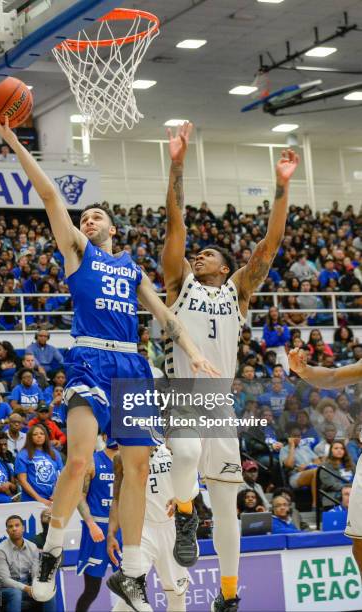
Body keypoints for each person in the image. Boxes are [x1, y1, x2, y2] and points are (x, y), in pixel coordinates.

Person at [0, 111, 217, 609]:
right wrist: (10, 140)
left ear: (113, 226)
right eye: (83, 216)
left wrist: (195, 352)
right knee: (80, 460)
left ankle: (131, 573)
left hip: (132, 365)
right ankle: (51, 552)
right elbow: (50, 195)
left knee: (136, 467)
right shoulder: (77, 251)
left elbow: (164, 316)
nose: (87, 220)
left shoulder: (131, 268)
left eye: (96, 216)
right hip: (90, 358)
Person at [161, 121, 299, 611]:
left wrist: (282, 187)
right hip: (185, 389)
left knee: (226, 505)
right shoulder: (180, 284)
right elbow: (175, 222)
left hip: (221, 402)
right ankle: (182, 514)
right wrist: (176, 163)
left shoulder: (239, 291)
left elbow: (271, 244)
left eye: (210, 253)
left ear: (226, 266)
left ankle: (229, 596)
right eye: (198, 252)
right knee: (183, 456)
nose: (199, 254)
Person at [108, 445, 190, 612]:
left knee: (178, 594)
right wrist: (111, 533)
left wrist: (182, 498)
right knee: (130, 592)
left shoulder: (172, 449)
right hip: (141, 528)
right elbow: (117, 498)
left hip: (171, 527)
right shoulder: (121, 457)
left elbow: (189, 482)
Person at [75, 440, 119, 612]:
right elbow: (79, 496)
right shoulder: (92, 461)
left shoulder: (129, 459)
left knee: (131, 586)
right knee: (92, 590)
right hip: (97, 528)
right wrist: (91, 523)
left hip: (121, 528)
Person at [0, 515, 55, 612]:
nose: (14, 529)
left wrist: (37, 587)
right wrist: (26, 588)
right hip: (2, 590)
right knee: (15, 593)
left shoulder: (32, 547)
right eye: (10, 526)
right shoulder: (0, 550)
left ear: (23, 528)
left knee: (48, 592)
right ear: (7, 531)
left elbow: (35, 572)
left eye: (17, 525)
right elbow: (5, 580)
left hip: (26, 586)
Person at [15, 424, 63, 504]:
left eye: (42, 433)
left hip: (53, 500)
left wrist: (56, 494)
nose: (39, 436)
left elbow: (60, 476)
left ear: (46, 436)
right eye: (35, 434)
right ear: (30, 437)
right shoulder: (23, 455)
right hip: (31, 500)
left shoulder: (55, 453)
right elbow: (22, 480)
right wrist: (39, 499)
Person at [279, 424, 321, 506]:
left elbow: (318, 462)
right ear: (289, 437)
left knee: (316, 472)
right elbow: (289, 465)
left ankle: (315, 504)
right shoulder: (284, 450)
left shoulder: (305, 448)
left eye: (299, 436)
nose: (297, 438)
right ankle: (315, 504)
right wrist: (292, 446)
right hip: (295, 477)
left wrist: (308, 466)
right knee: (315, 472)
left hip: (311, 472)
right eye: (294, 436)